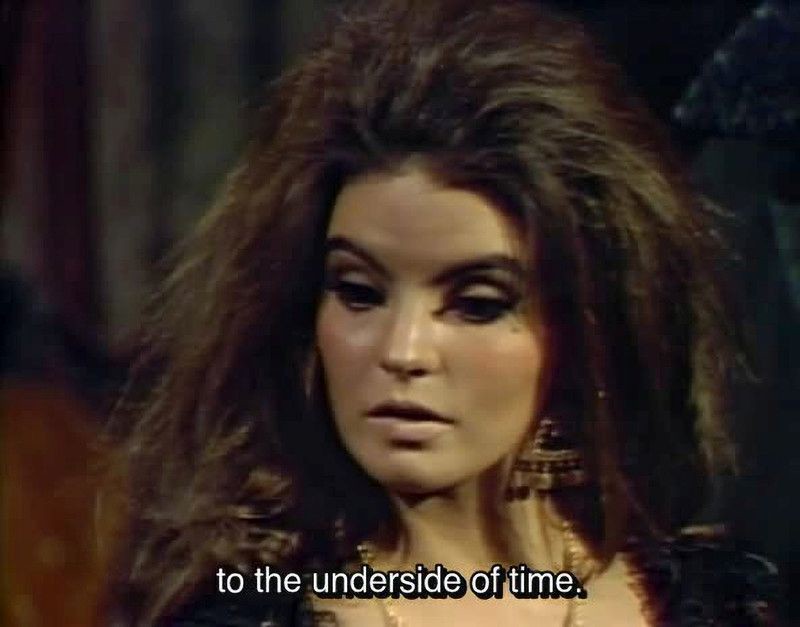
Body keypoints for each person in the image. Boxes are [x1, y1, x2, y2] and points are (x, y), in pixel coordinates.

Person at [107, 0, 782, 624]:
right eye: (359, 292)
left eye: (477, 305)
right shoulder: (246, 610)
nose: (402, 351)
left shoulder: (712, 602)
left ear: (585, 330)